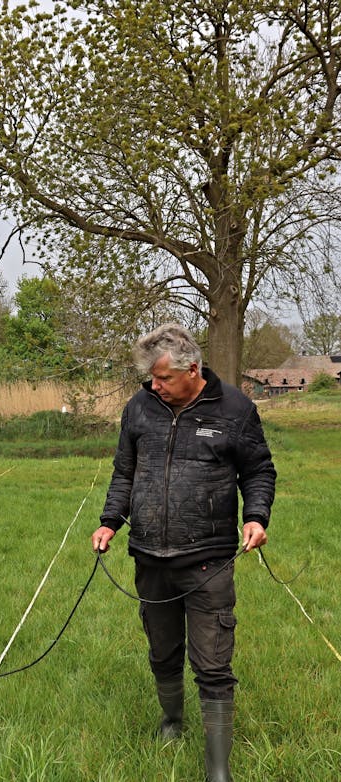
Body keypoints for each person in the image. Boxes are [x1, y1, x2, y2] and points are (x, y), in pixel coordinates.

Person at [91, 323, 275, 782]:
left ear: (191, 369)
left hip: (209, 558)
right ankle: (171, 721)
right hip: (149, 555)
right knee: (162, 652)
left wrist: (256, 517)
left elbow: (259, 471)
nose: (154, 386)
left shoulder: (235, 408)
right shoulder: (139, 408)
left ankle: (218, 771)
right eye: (151, 379)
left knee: (213, 663)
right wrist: (109, 521)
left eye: (163, 379)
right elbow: (123, 472)